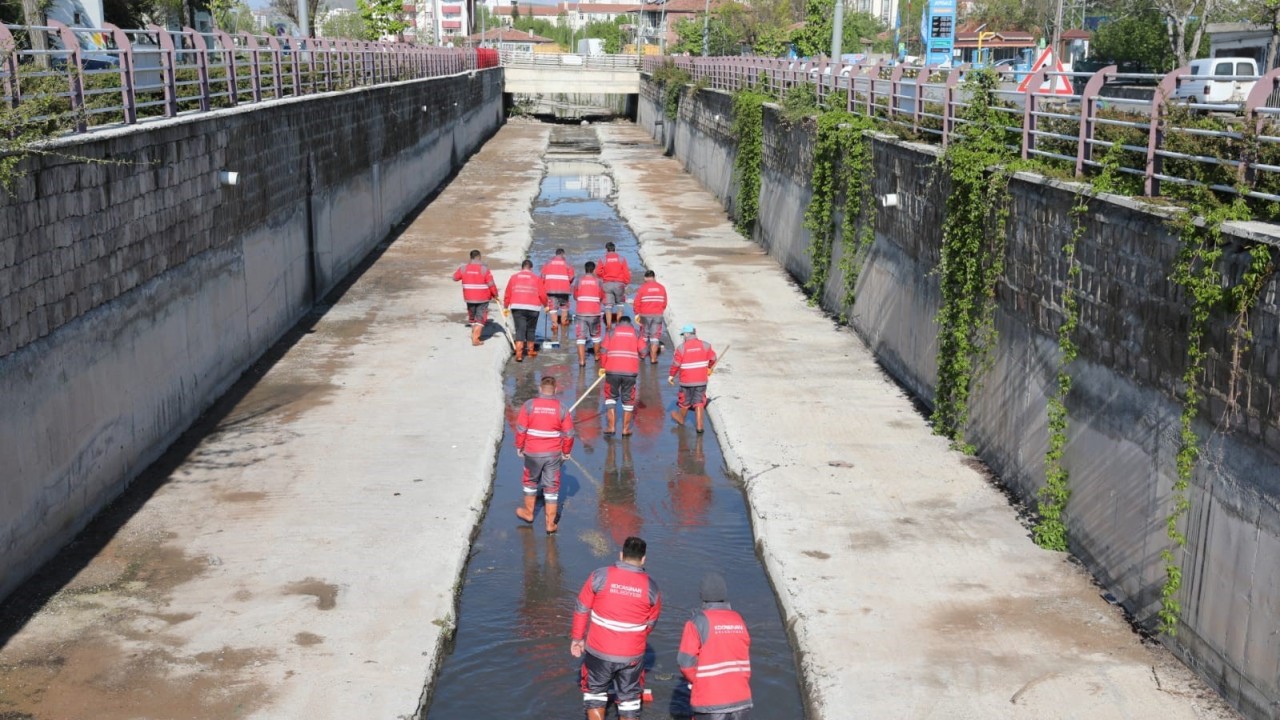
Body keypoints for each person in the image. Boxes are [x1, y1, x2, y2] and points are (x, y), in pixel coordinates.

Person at [571, 536, 662, 720]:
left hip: (598, 652)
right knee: (629, 701)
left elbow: (581, 608)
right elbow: (650, 623)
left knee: (595, 695)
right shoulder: (651, 588)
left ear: (621, 555)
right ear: (643, 559)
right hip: (631, 655)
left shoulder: (600, 575)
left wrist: (578, 638)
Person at [677, 573, 753, 720]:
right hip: (742, 700)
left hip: (710, 704)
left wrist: (698, 681)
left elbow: (685, 664)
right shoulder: (739, 619)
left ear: (702, 596)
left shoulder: (696, 622)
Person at [514, 376, 575, 534]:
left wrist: (519, 447)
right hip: (553, 454)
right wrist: (566, 451)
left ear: (540, 389)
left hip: (532, 451)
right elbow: (569, 434)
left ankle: (528, 513)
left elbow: (521, 429)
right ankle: (550, 524)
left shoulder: (529, 405)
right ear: (555, 390)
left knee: (530, 481)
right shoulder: (561, 408)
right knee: (551, 487)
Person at [597, 316, 646, 435]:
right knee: (628, 400)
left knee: (610, 398)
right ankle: (625, 429)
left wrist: (603, 366)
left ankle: (611, 427)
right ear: (630, 324)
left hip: (612, 370)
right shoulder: (636, 333)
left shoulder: (611, 332)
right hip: (630, 372)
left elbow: (603, 350)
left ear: (619, 323)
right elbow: (644, 352)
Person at [669, 325, 717, 433]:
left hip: (686, 381)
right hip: (701, 380)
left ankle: (681, 418)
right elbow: (713, 358)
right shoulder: (706, 345)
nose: (683, 338)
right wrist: (709, 367)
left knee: (684, 401)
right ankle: (700, 426)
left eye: (683, 335)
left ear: (686, 335)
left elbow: (676, 364)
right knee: (699, 401)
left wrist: (671, 375)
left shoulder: (681, 348)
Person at [504, 259, 548, 362]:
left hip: (517, 307)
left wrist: (506, 307)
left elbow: (508, 293)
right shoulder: (536, 279)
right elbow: (542, 294)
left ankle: (519, 355)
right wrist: (546, 305)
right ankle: (530, 351)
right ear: (531, 268)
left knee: (520, 329)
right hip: (533, 308)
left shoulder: (513, 278)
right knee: (531, 329)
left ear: (522, 268)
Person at [452, 249, 499, 346]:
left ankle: (474, 333)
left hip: (469, 297)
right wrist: (495, 294)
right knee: (481, 318)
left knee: (472, 317)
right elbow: (491, 284)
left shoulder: (463, 268)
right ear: (479, 257)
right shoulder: (484, 269)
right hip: (482, 297)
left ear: (471, 257)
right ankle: (475, 339)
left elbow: (455, 278)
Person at [573, 261, 606, 367]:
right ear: (594, 269)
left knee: (580, 338)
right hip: (594, 313)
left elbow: (575, 296)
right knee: (596, 337)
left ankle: (582, 362)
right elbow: (601, 296)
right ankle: (597, 357)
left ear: (585, 269)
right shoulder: (599, 281)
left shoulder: (579, 280)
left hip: (581, 312)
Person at [632, 270, 668, 365]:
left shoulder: (642, 288)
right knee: (655, 337)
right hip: (657, 315)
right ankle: (653, 359)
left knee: (644, 335)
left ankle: (642, 355)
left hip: (644, 315)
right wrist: (659, 311)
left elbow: (636, 303)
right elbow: (664, 303)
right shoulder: (661, 288)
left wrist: (637, 314)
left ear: (645, 278)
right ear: (654, 277)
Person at [598, 242, 632, 329]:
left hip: (607, 284)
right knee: (620, 305)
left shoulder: (603, 259)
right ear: (615, 249)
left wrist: (604, 276)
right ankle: (618, 325)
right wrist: (626, 282)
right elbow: (626, 273)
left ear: (606, 250)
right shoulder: (621, 258)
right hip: (619, 284)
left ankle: (608, 326)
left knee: (608, 306)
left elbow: (598, 272)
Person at [541, 248, 575, 331]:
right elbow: (571, 277)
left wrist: (543, 287)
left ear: (555, 254)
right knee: (564, 307)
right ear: (563, 255)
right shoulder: (567, 263)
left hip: (550, 290)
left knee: (552, 308)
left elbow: (542, 277)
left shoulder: (547, 263)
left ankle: (555, 325)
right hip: (564, 290)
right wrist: (567, 283)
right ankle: (563, 322)